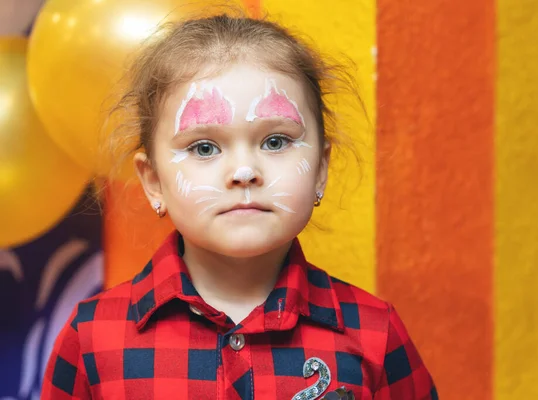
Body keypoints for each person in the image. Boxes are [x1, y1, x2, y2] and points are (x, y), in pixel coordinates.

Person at [41, 10, 438, 400]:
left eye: (276, 141)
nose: (245, 171)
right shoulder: (91, 338)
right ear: (154, 181)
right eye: (204, 147)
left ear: (320, 168)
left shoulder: (375, 334)